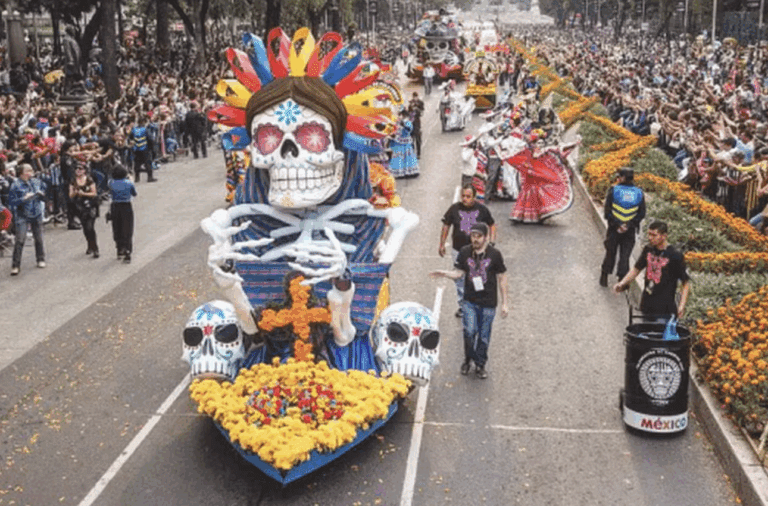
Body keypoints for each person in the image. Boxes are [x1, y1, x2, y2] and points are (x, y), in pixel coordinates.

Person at [431, 223, 508, 379]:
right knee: (469, 331)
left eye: (479, 236)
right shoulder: (465, 252)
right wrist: (444, 273)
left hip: (488, 303)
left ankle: (480, 364)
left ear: (486, 237)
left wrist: (505, 303)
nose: (475, 239)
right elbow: (459, 274)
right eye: (473, 236)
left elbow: (502, 278)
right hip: (470, 301)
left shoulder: (495, 255)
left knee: (484, 336)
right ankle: (468, 359)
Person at [613, 221, 691, 321]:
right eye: (649, 234)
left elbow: (685, 283)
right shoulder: (648, 249)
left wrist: (682, 306)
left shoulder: (675, 255)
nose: (650, 237)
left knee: (658, 335)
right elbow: (636, 269)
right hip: (647, 305)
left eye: (654, 235)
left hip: (664, 310)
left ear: (664, 236)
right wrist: (622, 283)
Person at [439, 184, 496, 318]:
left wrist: (491, 242)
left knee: (476, 276)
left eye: (468, 196)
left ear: (474, 197)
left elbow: (492, 225)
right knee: (459, 278)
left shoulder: (482, 210)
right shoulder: (454, 209)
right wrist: (441, 244)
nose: (465, 199)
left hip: (477, 251)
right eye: (463, 196)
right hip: (458, 250)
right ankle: (463, 305)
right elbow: (446, 226)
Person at [600, 167, 646, 287]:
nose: (617, 179)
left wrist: (618, 225)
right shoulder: (639, 193)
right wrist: (628, 225)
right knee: (625, 255)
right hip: (630, 230)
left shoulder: (614, 190)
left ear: (623, 178)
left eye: (618, 176)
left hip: (614, 229)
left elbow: (607, 212)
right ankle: (622, 281)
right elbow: (641, 214)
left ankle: (604, 276)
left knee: (610, 252)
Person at [8, 164, 46, 275]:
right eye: (28, 170)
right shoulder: (15, 185)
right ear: (21, 173)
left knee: (38, 238)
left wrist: (41, 194)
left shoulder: (36, 182)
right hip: (22, 214)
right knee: (20, 240)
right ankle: (15, 265)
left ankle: (41, 259)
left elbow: (44, 194)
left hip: (36, 212)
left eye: (31, 169)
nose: (31, 172)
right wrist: (23, 199)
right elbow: (11, 202)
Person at [69, 163, 100, 258]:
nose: (78, 171)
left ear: (85, 170)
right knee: (85, 228)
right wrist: (75, 192)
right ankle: (89, 245)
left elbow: (94, 193)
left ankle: (95, 248)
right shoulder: (73, 181)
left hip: (90, 206)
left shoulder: (89, 180)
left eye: (80, 169)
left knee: (90, 227)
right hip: (79, 207)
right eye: (76, 169)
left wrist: (84, 194)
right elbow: (70, 195)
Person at [108, 165, 137, 264]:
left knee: (117, 227)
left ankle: (119, 248)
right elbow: (134, 193)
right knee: (127, 229)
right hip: (126, 206)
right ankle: (128, 250)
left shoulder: (111, 183)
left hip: (115, 205)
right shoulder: (128, 183)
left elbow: (110, 192)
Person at [387, 109, 419, 178]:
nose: (399, 116)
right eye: (398, 115)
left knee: (407, 157)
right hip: (397, 142)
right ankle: (399, 172)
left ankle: (409, 172)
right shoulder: (396, 122)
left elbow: (409, 129)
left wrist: (404, 125)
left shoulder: (408, 122)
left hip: (405, 143)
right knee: (398, 157)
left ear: (403, 115)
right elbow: (393, 130)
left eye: (400, 115)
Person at [129, 116, 156, 183]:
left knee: (137, 164)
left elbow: (130, 137)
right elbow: (150, 138)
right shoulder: (145, 129)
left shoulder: (134, 130)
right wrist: (152, 147)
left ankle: (137, 178)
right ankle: (150, 177)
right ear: (143, 122)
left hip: (136, 149)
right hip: (144, 148)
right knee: (148, 163)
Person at [408, 92, 424, 158]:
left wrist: (417, 109)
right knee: (411, 139)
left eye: (416, 97)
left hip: (417, 122)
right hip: (411, 122)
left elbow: (422, 112)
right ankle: (412, 152)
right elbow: (408, 112)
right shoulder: (410, 103)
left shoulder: (420, 102)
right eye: (414, 97)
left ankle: (418, 153)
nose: (415, 98)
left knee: (418, 139)